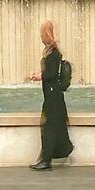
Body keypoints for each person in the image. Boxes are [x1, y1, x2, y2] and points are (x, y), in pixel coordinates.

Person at [32, 20, 74, 171]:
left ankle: (46, 160)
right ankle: (62, 150)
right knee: (55, 126)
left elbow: (51, 73)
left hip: (53, 95)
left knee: (49, 127)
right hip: (52, 95)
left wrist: (40, 76)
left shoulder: (53, 51)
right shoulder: (51, 50)